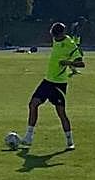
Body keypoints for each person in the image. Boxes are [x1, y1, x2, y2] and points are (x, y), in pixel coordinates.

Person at [18, 22, 84, 150]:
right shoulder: (56, 40)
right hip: (47, 80)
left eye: (55, 35)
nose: (53, 38)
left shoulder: (70, 44)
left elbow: (81, 64)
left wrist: (67, 62)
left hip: (59, 83)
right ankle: (28, 137)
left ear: (62, 33)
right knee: (33, 104)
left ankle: (70, 141)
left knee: (61, 113)